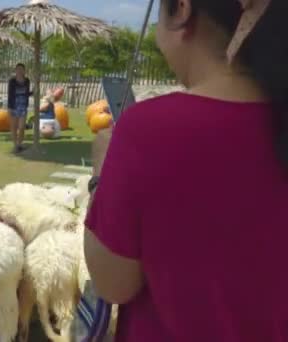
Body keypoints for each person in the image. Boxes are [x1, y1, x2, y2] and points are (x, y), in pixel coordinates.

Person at [84, 0, 288, 341]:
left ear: (181, 9)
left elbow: (111, 282)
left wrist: (99, 179)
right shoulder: (275, 122)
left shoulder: (149, 131)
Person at [7, 63, 32, 153]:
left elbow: (26, 93)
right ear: (15, 70)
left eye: (21, 69)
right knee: (14, 127)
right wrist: (9, 108)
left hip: (23, 107)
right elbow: (10, 94)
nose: (20, 71)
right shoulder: (12, 81)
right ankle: (15, 145)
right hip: (13, 106)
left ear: (24, 71)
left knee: (21, 127)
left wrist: (33, 93)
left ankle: (20, 143)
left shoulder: (27, 81)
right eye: (18, 69)